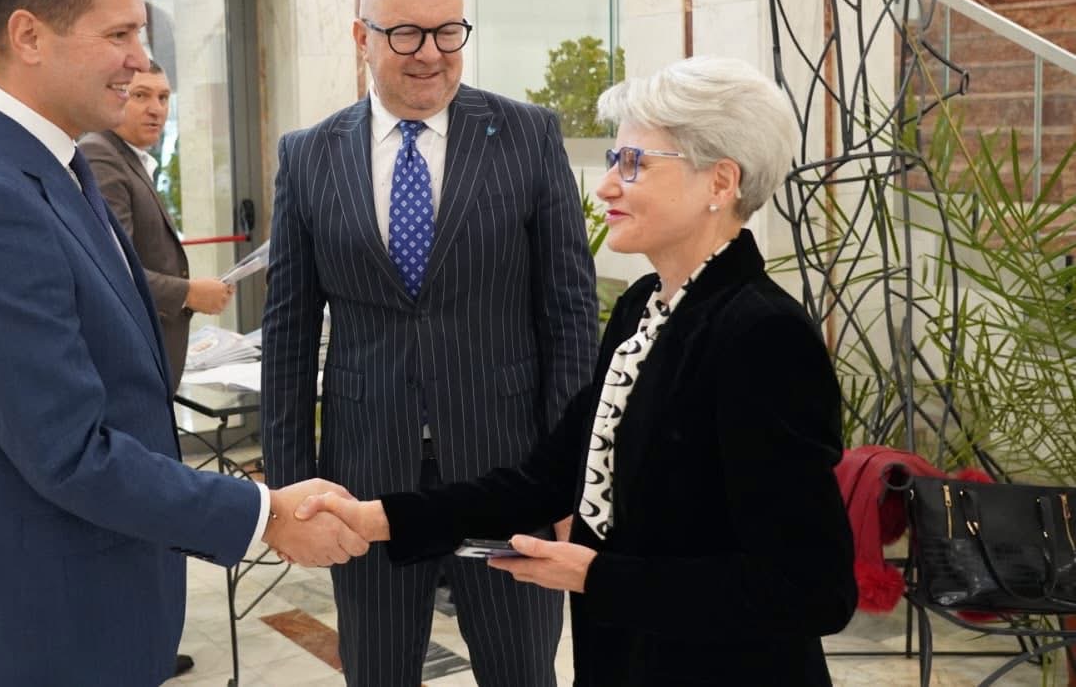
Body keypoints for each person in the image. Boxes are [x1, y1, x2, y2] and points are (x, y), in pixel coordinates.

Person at [0, 0, 367, 687]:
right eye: (118, 34)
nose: (140, 60)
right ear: (28, 35)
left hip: (91, 596)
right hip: (43, 624)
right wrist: (264, 513)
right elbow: (69, 452)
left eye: (139, 33)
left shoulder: (52, 163)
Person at [297, 57, 859, 686]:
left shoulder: (762, 335)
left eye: (634, 163)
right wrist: (381, 518)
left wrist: (595, 575)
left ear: (721, 182)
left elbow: (811, 588)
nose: (606, 187)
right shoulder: (644, 308)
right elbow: (546, 478)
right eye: (615, 159)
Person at [260, 0, 599, 686]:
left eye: (448, 32)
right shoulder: (309, 156)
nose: (431, 54)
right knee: (378, 671)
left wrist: (574, 478)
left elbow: (570, 315)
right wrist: (288, 492)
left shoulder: (527, 135)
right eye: (406, 33)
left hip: (507, 472)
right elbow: (287, 334)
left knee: (521, 671)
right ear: (362, 36)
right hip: (364, 478)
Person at [78, 60, 234, 385]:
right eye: (141, 95)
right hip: (127, 367)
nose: (156, 109)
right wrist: (188, 293)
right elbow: (113, 269)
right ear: (116, 94)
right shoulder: (100, 154)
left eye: (163, 98)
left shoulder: (129, 156)